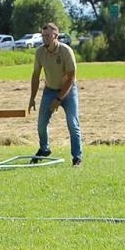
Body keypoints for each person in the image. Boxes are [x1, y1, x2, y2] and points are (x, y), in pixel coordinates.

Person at [28, 22, 82, 166]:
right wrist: (32, 98)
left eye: (48, 36)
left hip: (68, 90)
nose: (45, 38)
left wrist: (59, 99)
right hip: (49, 90)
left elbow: (71, 77)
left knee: (73, 123)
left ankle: (77, 158)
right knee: (41, 124)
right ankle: (44, 149)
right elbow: (35, 76)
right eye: (43, 35)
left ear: (56, 36)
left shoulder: (66, 51)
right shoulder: (40, 52)